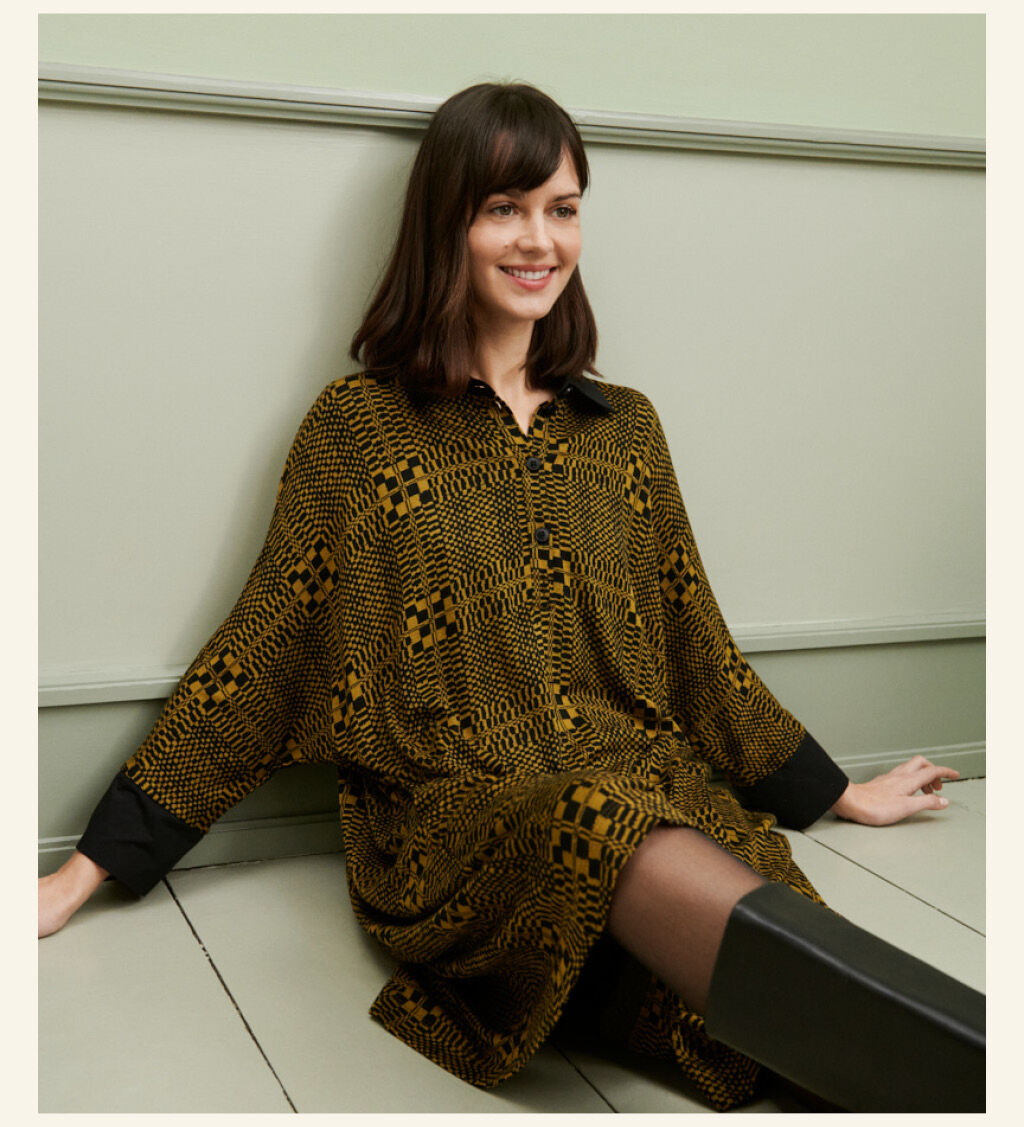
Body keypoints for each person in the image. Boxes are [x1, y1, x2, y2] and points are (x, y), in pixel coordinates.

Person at [38, 82, 984, 1112]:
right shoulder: (360, 431)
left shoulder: (626, 430)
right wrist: (83, 872)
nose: (540, 239)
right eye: (504, 208)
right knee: (607, 829)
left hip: (652, 789)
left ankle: (969, 1074)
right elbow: (261, 654)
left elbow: (695, 640)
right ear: (445, 224)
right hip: (461, 824)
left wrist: (835, 792)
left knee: (766, 1015)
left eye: (562, 208)